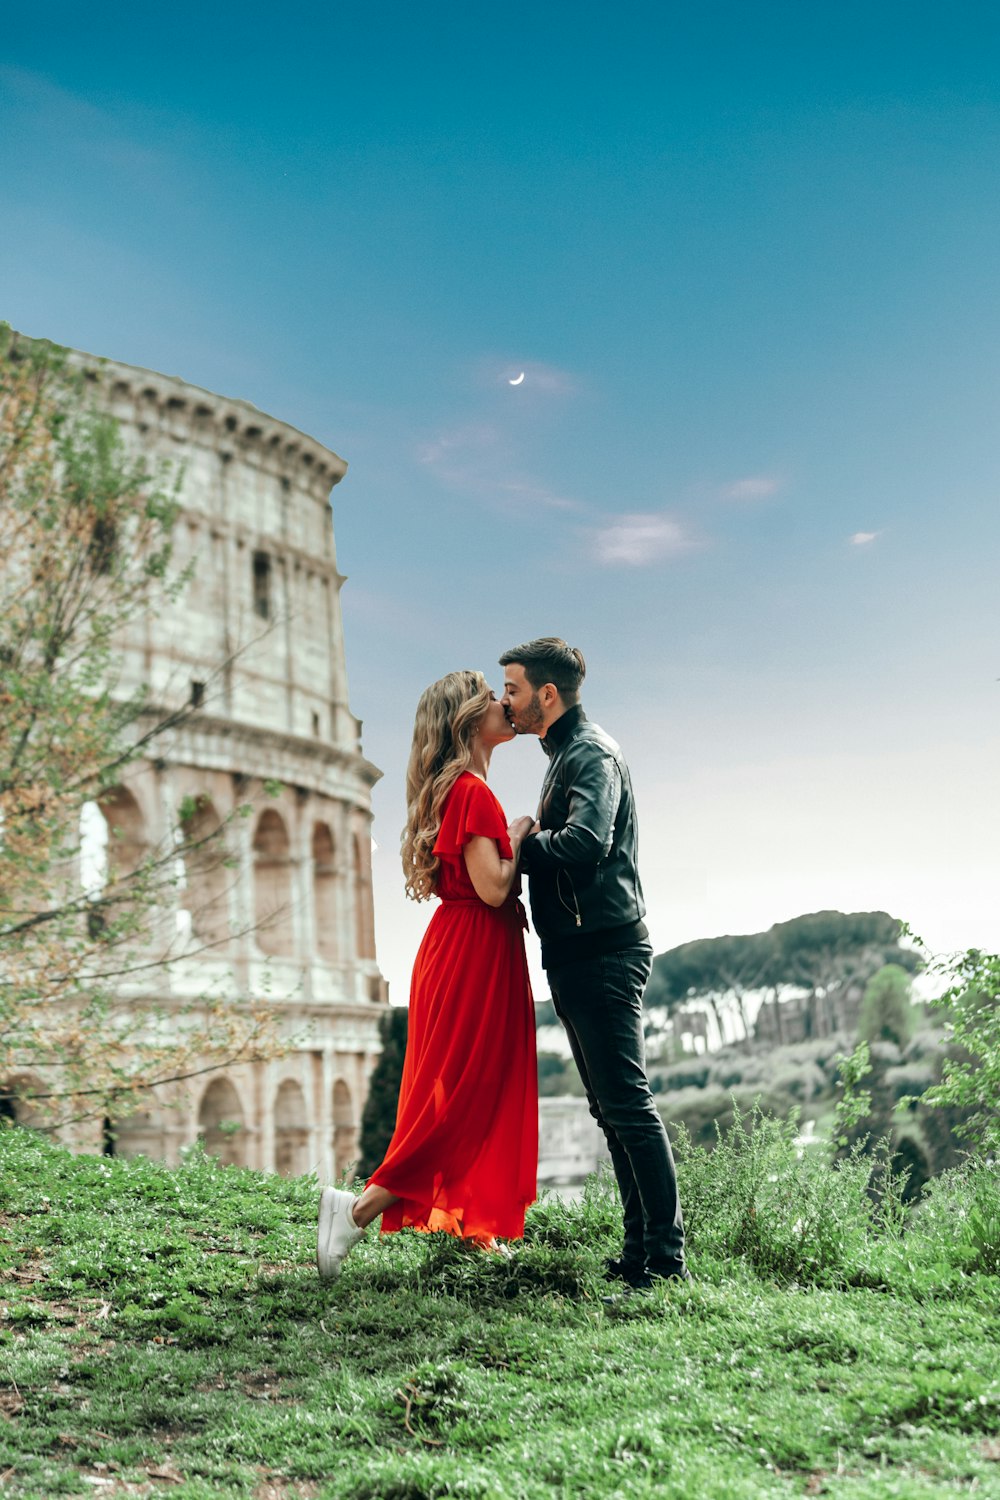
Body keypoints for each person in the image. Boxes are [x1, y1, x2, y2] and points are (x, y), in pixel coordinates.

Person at [317, 670, 538, 1282]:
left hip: (467, 949)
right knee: (461, 1099)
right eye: (492, 696)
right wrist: (518, 831)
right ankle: (354, 1211)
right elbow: (494, 888)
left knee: (471, 1092)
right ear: (468, 717)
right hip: (473, 951)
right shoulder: (471, 792)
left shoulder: (463, 790)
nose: (503, 703)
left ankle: (470, 1227)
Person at [499, 637, 688, 1290]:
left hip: (605, 949)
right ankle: (639, 1255)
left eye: (514, 690)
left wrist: (521, 843)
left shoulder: (590, 753)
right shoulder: (564, 754)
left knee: (629, 1107)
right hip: (579, 951)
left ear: (547, 695)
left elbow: (586, 842)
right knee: (610, 1111)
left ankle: (665, 1262)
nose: (506, 701)